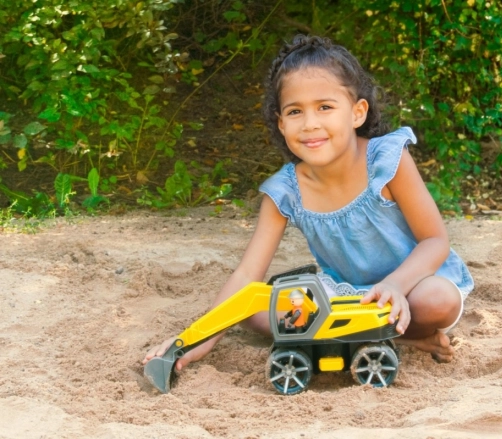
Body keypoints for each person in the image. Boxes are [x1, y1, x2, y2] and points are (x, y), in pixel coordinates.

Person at [143, 35, 474, 372]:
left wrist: (394, 285)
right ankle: (395, 339)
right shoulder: (285, 191)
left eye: (325, 107)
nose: (310, 123)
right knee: (252, 308)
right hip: (345, 299)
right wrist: (195, 341)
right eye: (295, 111)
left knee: (439, 300)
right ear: (281, 123)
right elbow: (246, 276)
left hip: (411, 285)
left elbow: (435, 241)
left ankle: (376, 334)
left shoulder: (387, 160)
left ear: (357, 112)